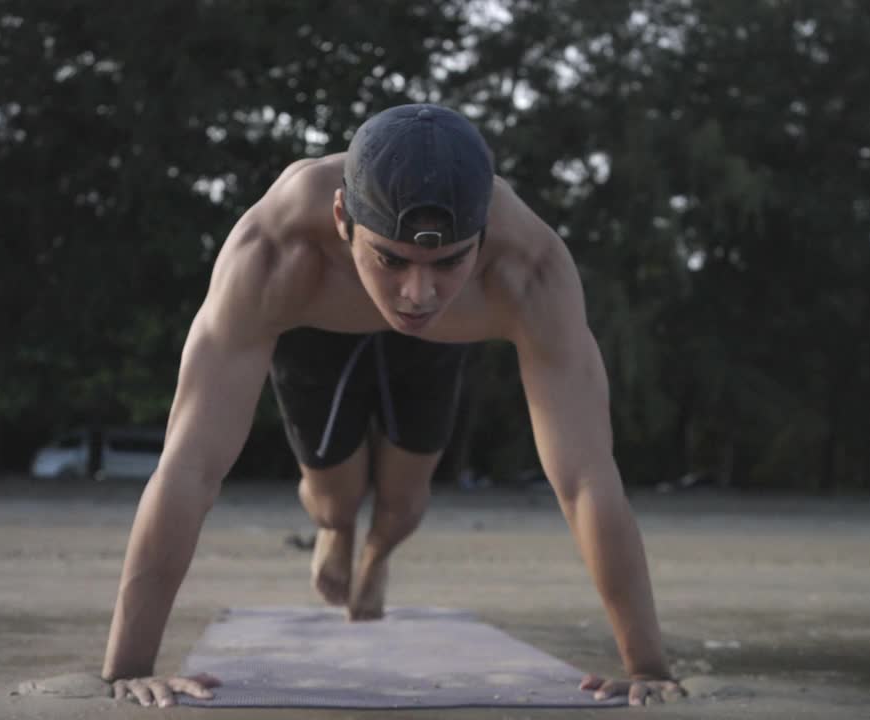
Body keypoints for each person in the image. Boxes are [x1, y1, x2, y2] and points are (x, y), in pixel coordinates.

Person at [99, 103, 683, 708]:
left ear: (481, 234)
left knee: (404, 504)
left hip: (441, 339)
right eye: (392, 259)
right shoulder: (275, 250)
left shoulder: (528, 269)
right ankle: (336, 529)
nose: (417, 292)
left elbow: (586, 477)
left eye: (449, 260)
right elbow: (189, 465)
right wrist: (129, 668)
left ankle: (376, 552)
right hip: (314, 331)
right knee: (332, 497)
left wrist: (647, 666)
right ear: (341, 218)